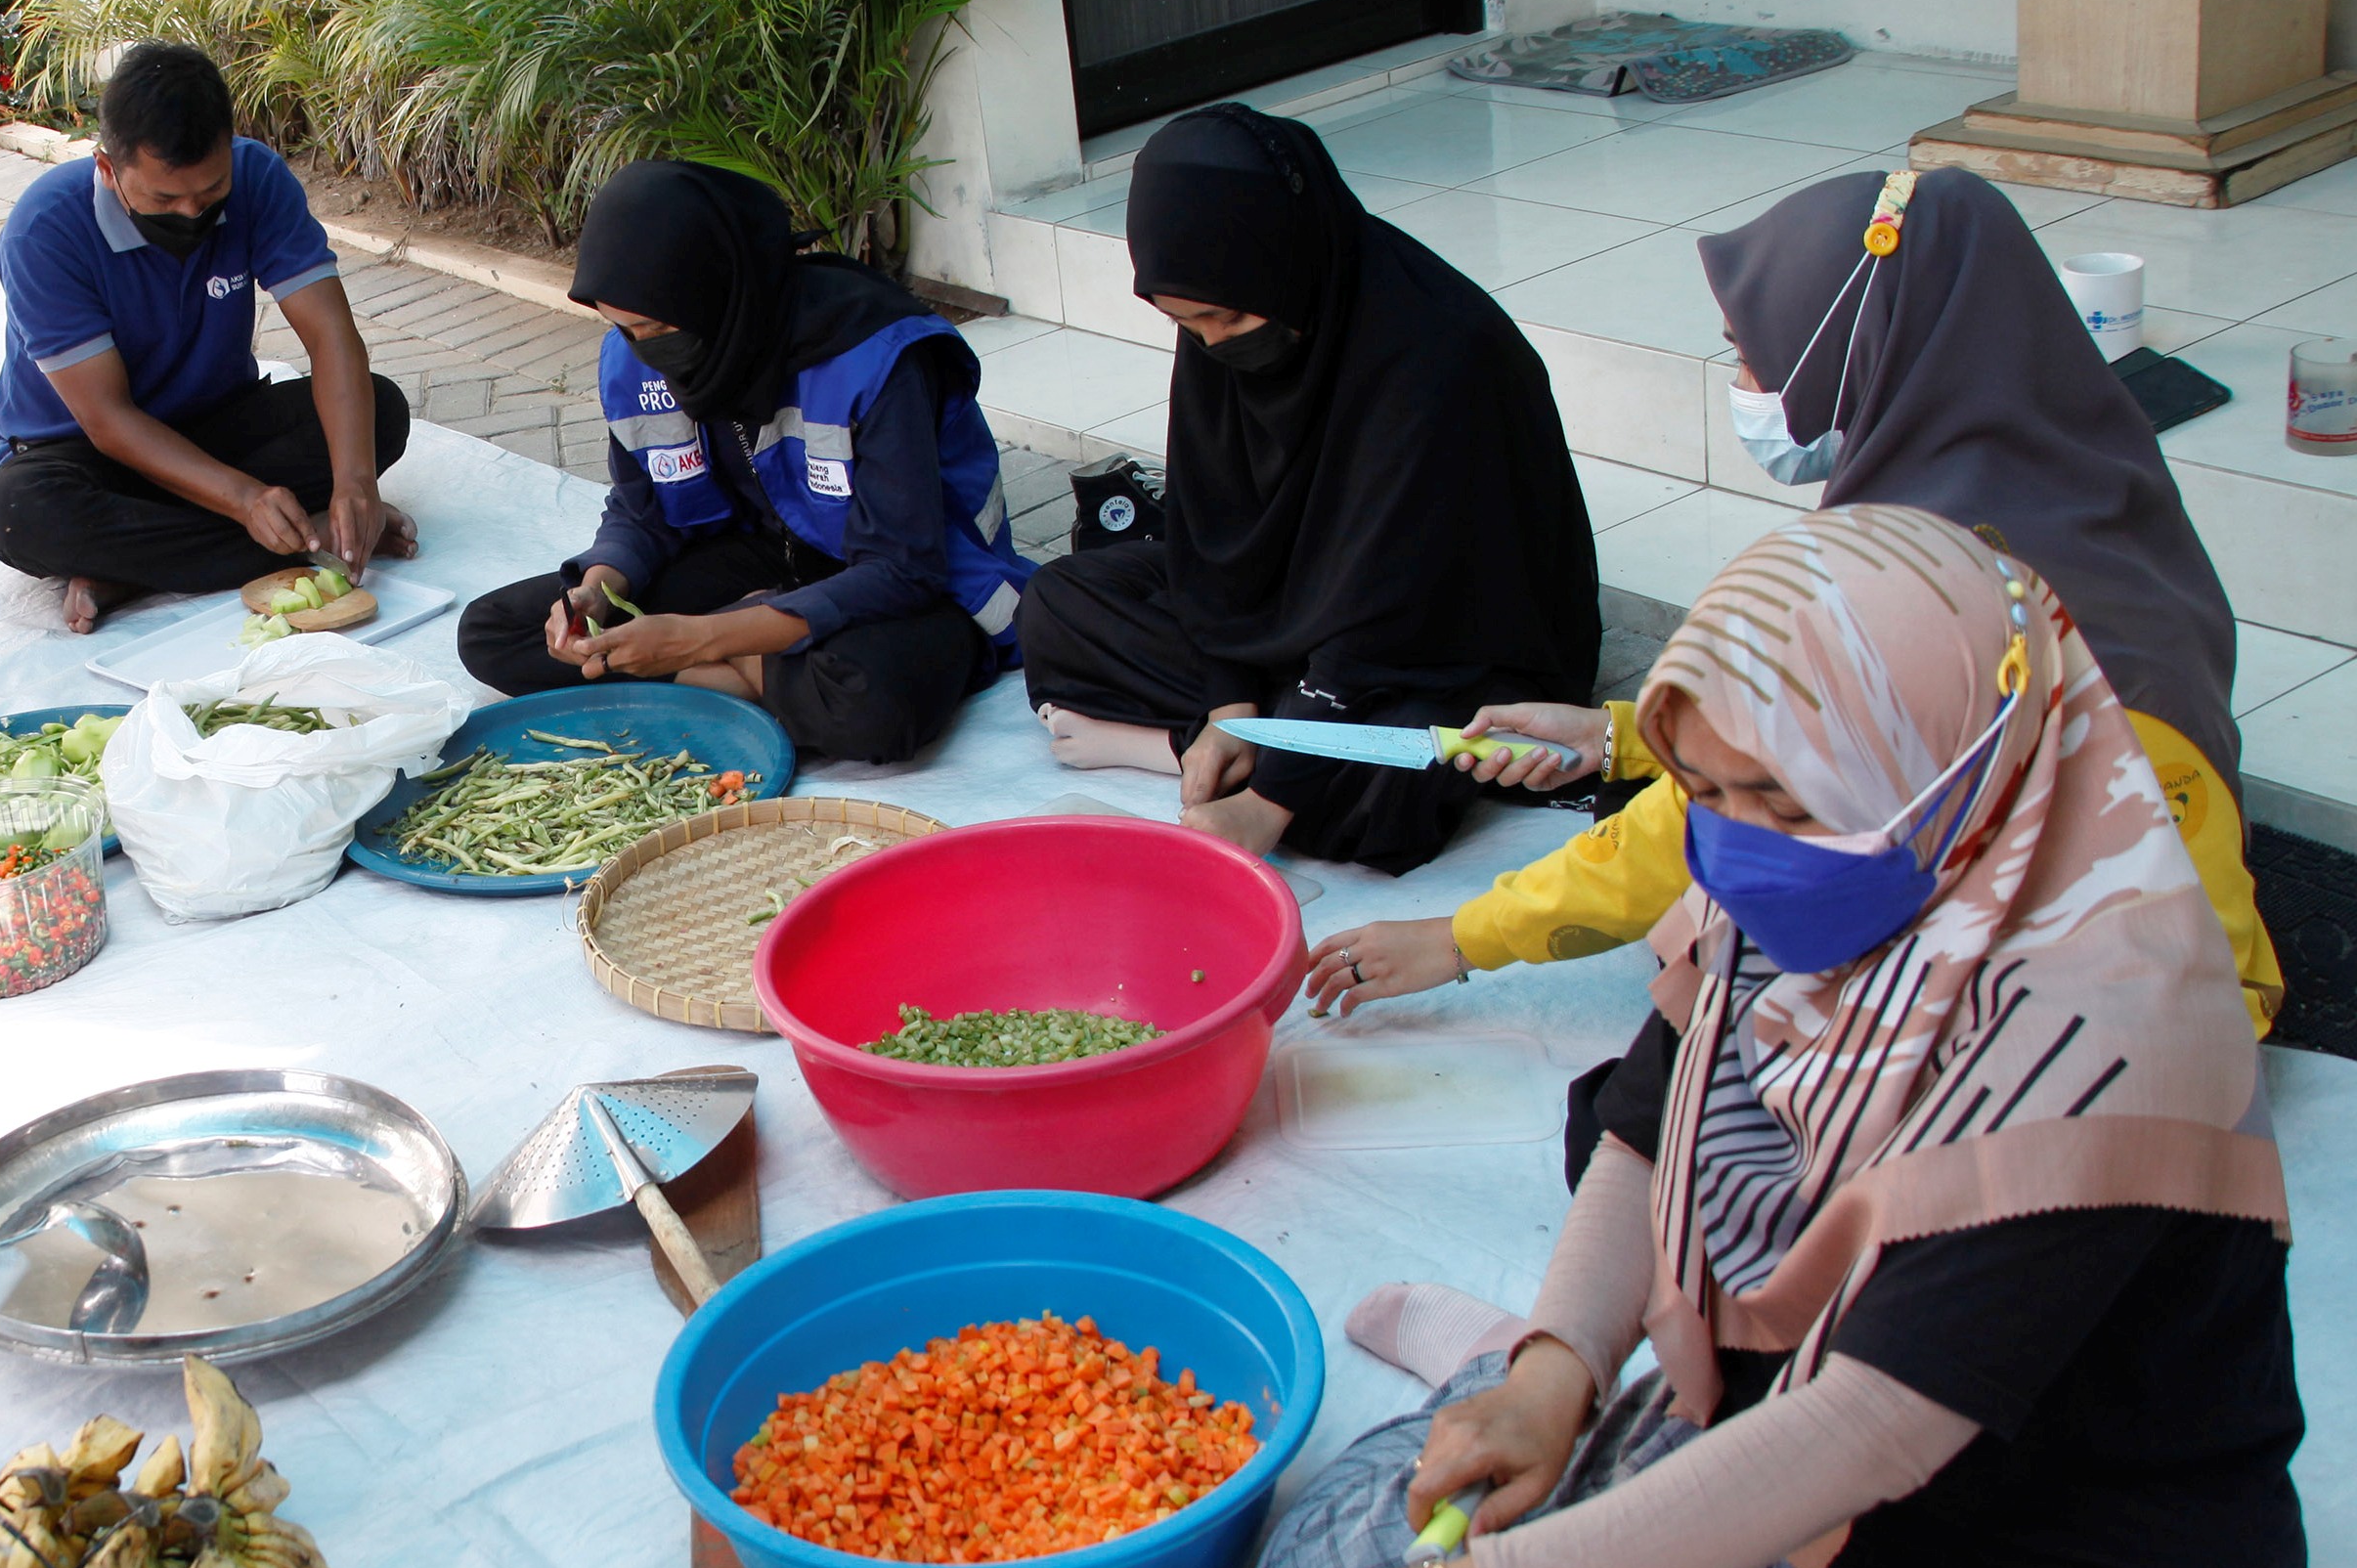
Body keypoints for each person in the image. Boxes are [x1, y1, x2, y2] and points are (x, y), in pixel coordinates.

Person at [1253, 507, 2308, 1568]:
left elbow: (1870, 1424)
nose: (1738, 839)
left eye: (1782, 797)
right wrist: (1555, 1367)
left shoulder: (2103, 1026)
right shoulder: (1787, 881)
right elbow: (1645, 1127)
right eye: (1708, 790)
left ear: (1955, 769)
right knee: (1327, 1556)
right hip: (1752, 1457)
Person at [1299, 165, 2282, 1036]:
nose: (1741, 382)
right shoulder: (2084, 474)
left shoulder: (1908, 579)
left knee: (1704, 954)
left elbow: (1713, 815)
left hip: (2122, 1015)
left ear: (1858, 348)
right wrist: (1617, 739)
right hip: (2183, 943)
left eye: (1746, 349)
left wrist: (1463, 936)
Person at [1018, 105, 1599, 869]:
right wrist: (1231, 700)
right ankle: (1241, 735)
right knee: (1060, 602)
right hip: (1289, 623)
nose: (1212, 343)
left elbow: (1398, 609)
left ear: (1282, 261)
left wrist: (1269, 804)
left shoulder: (1440, 357)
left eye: (1222, 318)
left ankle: (1173, 747)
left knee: (1397, 789)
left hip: (1447, 638)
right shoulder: (1224, 325)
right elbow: (1210, 540)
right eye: (1187, 325)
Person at [454, 159, 1035, 762]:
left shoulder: (872, 356)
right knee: (496, 630)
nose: (640, 347)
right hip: (761, 555)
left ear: (718, 292)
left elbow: (903, 569)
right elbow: (642, 509)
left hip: (915, 580)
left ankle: (718, 674)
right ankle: (748, 678)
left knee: (872, 702)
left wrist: (702, 640)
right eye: (619, 327)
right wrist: (599, 588)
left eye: (653, 326)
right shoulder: (637, 357)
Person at [0, 42, 411, 631]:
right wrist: (244, 499)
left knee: (379, 409)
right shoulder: (44, 231)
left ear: (229, 151)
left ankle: (133, 566)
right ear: (107, 168)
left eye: (210, 194)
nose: (190, 215)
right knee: (15, 514)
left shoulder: (257, 177)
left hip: (216, 424)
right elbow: (109, 421)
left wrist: (355, 481)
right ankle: (304, 541)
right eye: (163, 199)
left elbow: (331, 338)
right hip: (88, 452)